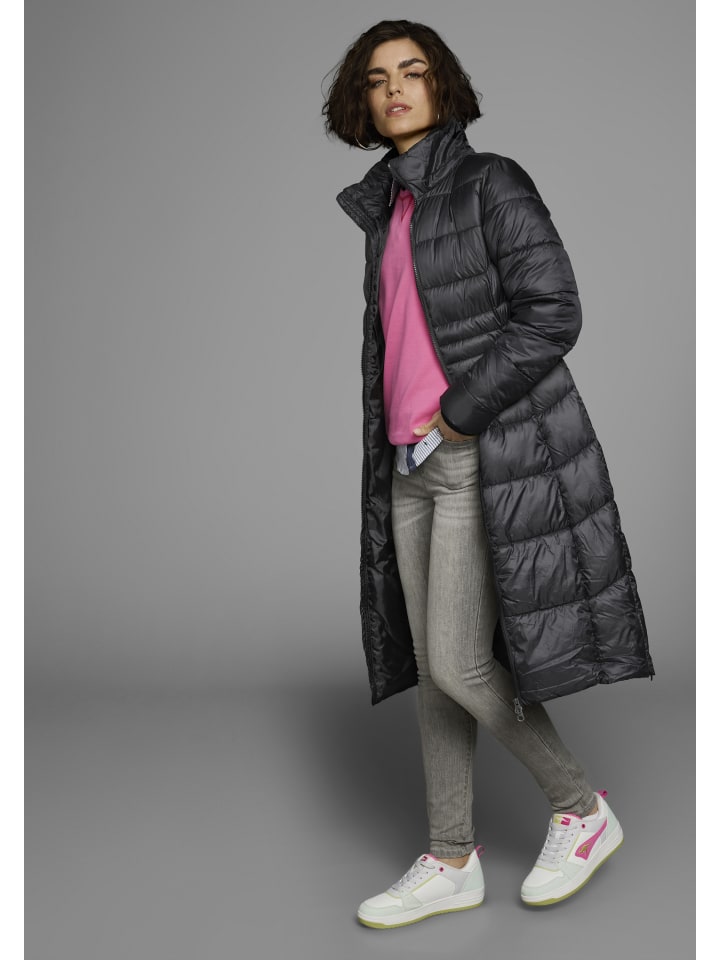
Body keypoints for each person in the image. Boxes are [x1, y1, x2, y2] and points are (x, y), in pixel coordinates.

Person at [323, 20, 654, 929]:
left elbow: (553, 309)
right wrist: (406, 436)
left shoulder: (490, 181)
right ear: (362, 102)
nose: (396, 89)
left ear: (443, 85)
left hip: (477, 453)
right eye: (378, 79)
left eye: (413, 72)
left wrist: (462, 412)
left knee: (463, 662)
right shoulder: (387, 207)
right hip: (407, 463)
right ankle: (450, 857)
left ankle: (581, 809)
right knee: (436, 673)